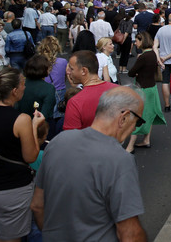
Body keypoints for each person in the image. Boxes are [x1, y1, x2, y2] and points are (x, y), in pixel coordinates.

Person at [31, 86, 147, 241]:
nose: (134, 129)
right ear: (124, 117)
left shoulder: (57, 142)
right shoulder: (120, 159)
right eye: (137, 122)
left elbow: (37, 206)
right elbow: (130, 233)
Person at [0, 67, 45, 242]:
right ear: (14, 91)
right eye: (22, 85)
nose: (24, 88)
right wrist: (34, 127)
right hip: (12, 190)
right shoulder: (21, 120)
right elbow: (30, 156)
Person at [125, 31, 166, 153]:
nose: (135, 43)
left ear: (142, 41)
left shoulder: (142, 57)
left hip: (143, 89)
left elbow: (131, 72)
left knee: (138, 116)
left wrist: (137, 72)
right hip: (152, 88)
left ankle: (130, 146)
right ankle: (146, 139)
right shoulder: (153, 54)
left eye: (137, 41)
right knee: (149, 114)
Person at [63, 51, 118, 130]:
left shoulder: (75, 102)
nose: (68, 72)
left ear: (84, 71)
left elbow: (71, 138)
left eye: (71, 69)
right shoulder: (118, 91)